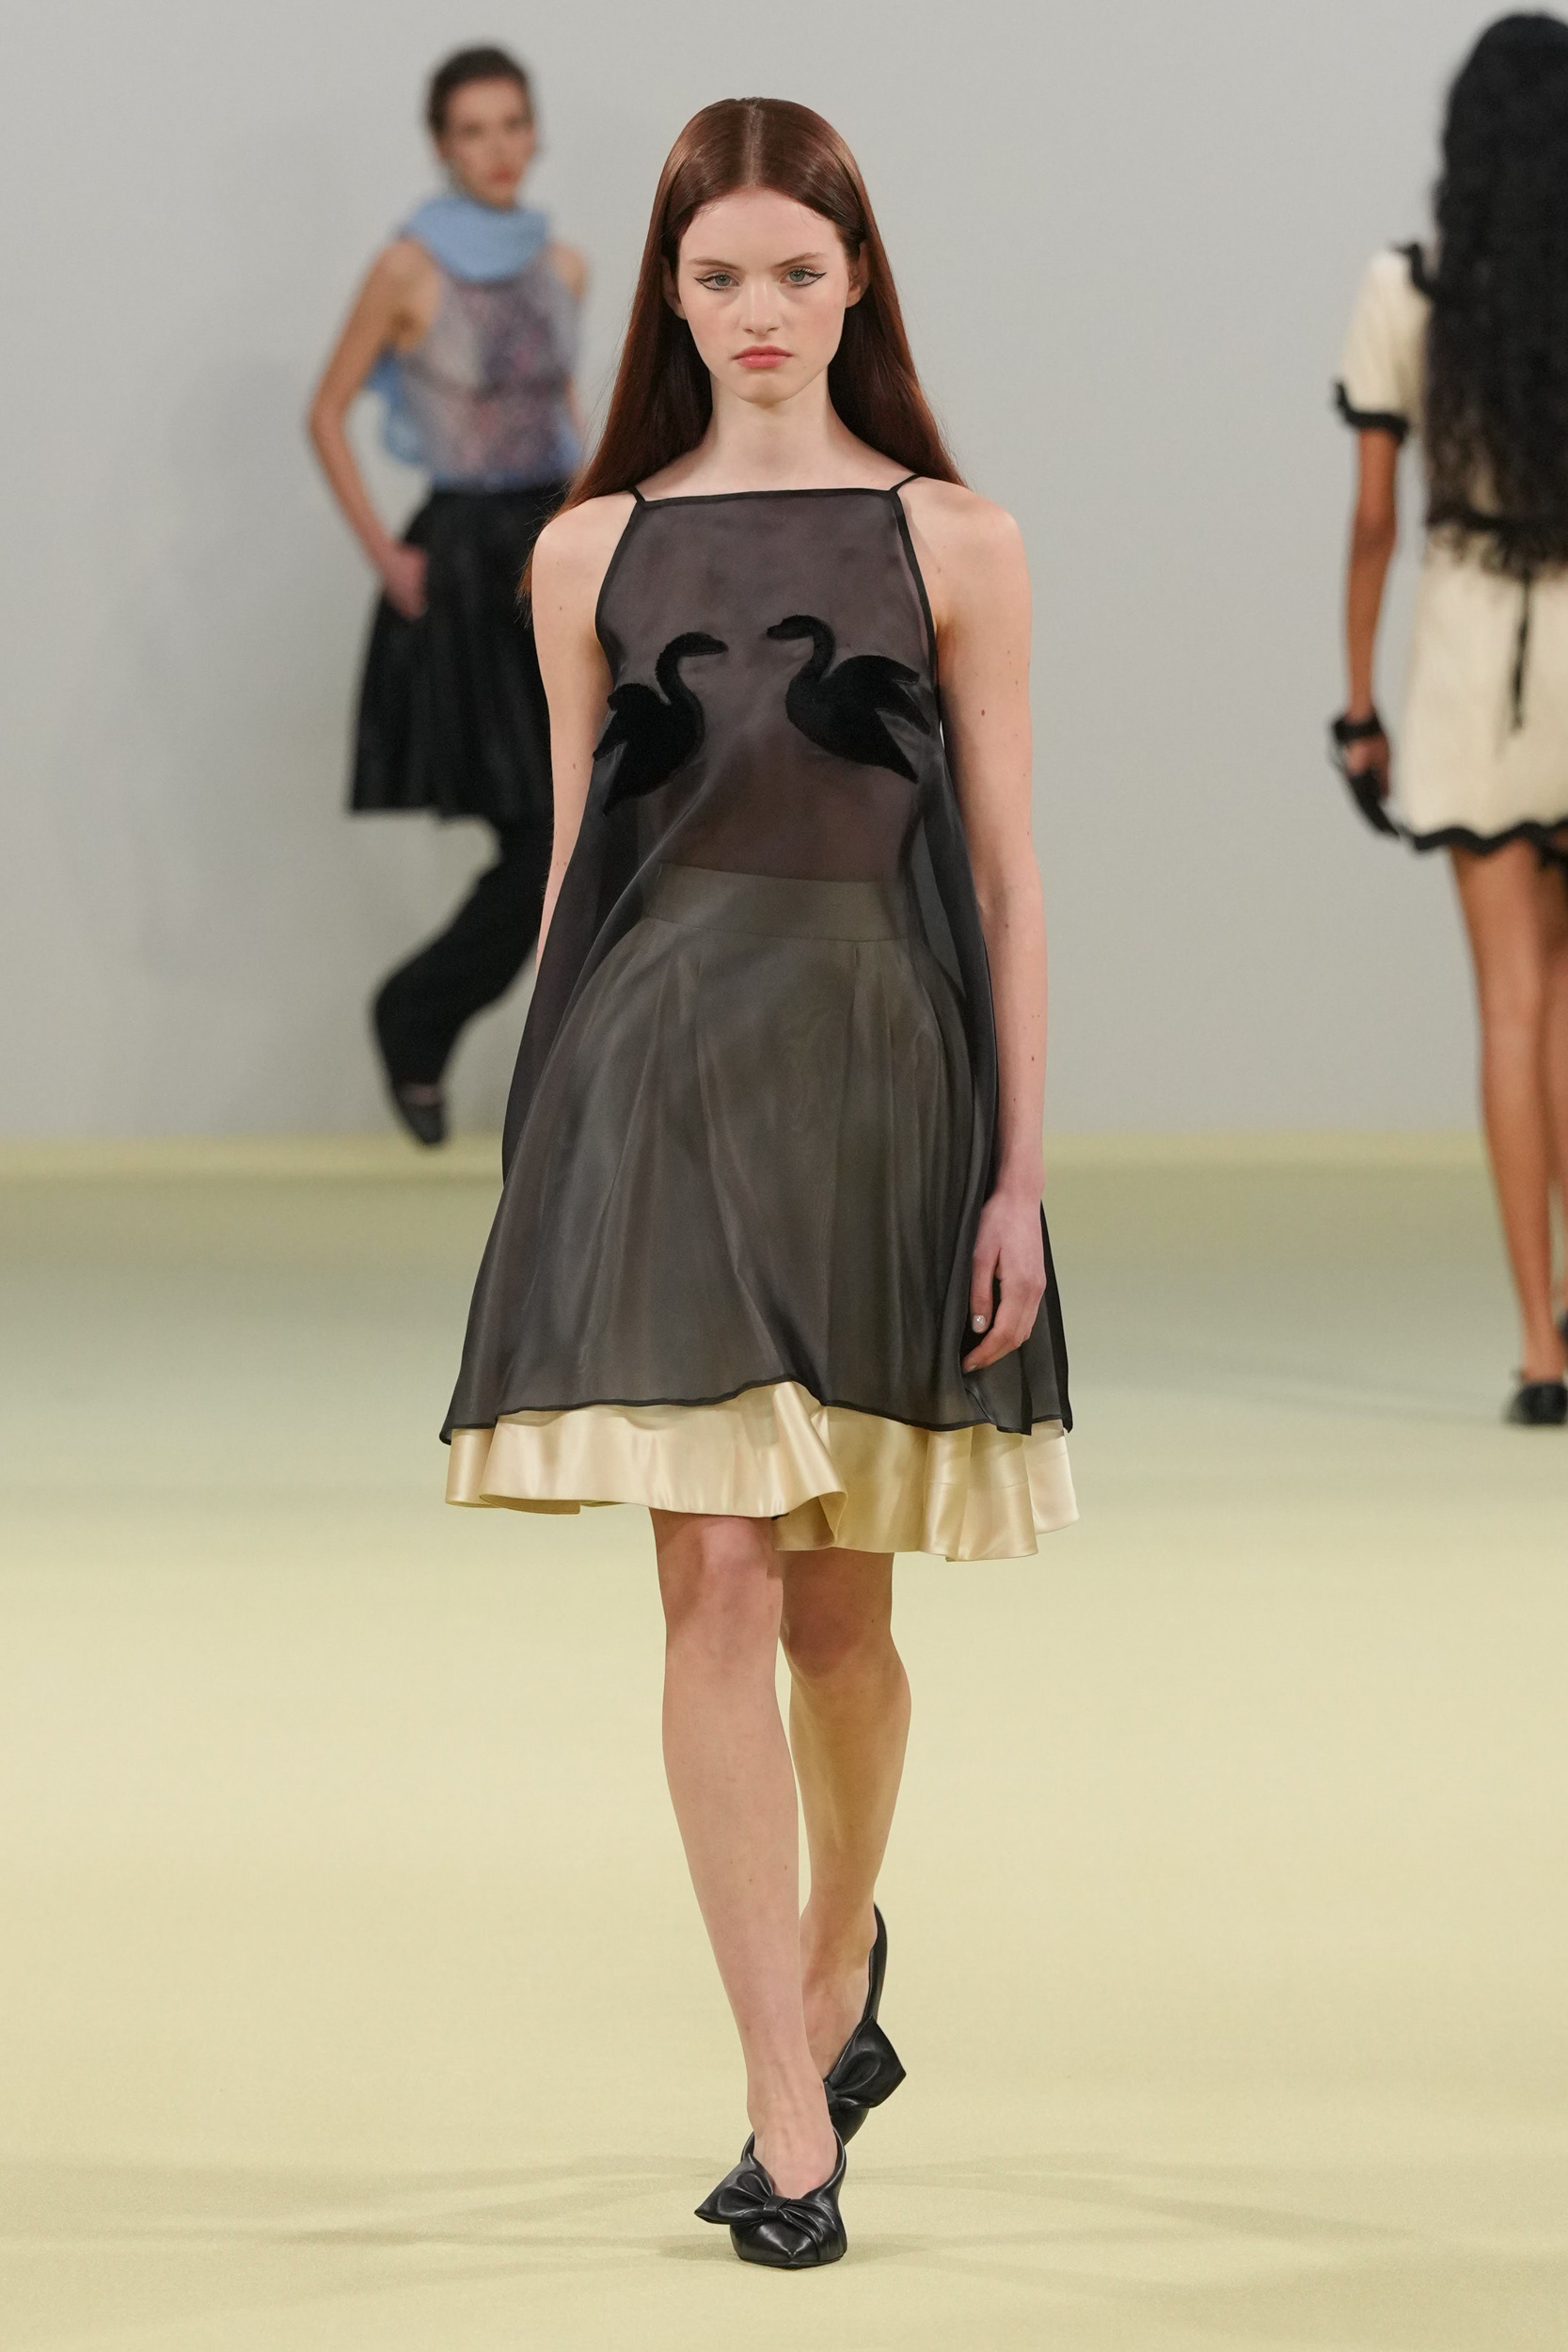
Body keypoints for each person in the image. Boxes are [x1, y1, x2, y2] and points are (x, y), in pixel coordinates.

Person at [440, 97, 1074, 2267]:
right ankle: (785, 2101)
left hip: (881, 1090)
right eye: (717, 277)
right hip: (653, 1086)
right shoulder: (587, 552)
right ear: (671, 295)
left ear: (855, 277)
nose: (760, 312)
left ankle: (846, 1936)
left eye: (796, 271)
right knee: (710, 1577)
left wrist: (1019, 1170)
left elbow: (1007, 875)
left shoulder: (955, 538)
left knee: (839, 1617)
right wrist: (539, 1155)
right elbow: (576, 870)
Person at [1334, 12, 1568, 1425]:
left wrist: (1354, 704)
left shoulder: (1406, 285)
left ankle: (1539, 1350)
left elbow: (1373, 520)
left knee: (1508, 1003)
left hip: (1471, 655)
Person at [308, 45, 586, 1145]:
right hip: (469, 563)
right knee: (543, 830)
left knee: (592, 817)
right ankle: (416, 1016)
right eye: (473, 130)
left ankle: (481, 1044)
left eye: (512, 124)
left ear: (535, 131)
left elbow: (565, 415)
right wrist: (388, 554)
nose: (497, 148)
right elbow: (326, 411)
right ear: (440, 145)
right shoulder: (405, 267)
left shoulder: (563, 265)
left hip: (554, 546)